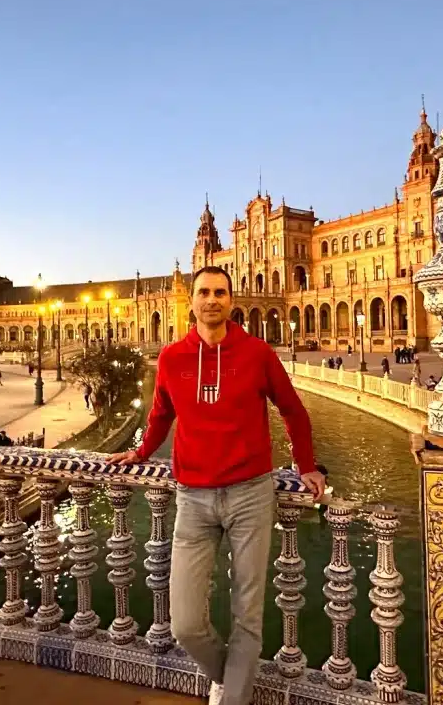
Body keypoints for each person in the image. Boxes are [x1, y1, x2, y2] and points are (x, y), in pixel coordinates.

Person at [106, 266, 324, 705]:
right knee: (185, 622)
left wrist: (307, 466)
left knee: (248, 616)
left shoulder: (258, 352)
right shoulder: (171, 357)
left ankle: (232, 694)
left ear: (230, 300)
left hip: (250, 493)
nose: (211, 300)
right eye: (203, 292)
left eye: (219, 293)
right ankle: (228, 675)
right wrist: (142, 451)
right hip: (193, 497)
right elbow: (161, 414)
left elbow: (293, 410)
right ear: (191, 302)